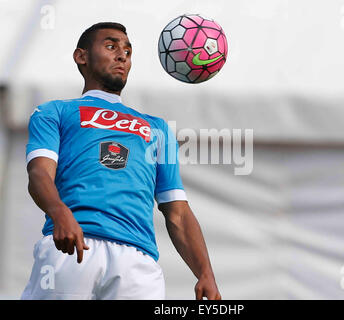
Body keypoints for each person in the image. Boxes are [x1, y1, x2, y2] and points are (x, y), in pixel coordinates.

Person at [21, 22, 221, 300]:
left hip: (138, 262)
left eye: (128, 50)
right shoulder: (54, 111)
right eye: (111, 46)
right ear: (82, 57)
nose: (122, 56)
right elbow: (39, 174)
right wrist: (59, 212)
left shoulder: (158, 129)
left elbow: (177, 211)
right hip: (73, 245)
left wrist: (205, 272)